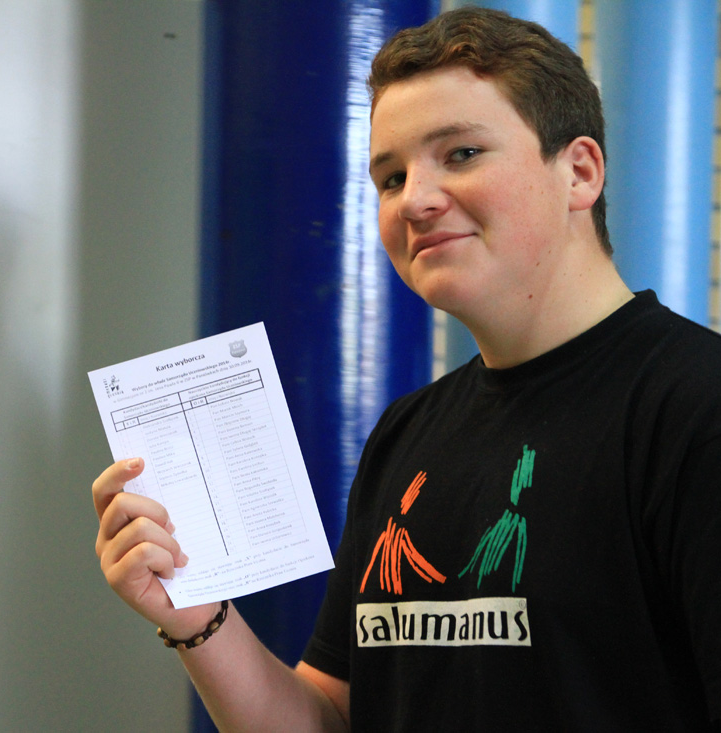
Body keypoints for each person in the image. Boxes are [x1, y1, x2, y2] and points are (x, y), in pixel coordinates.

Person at [92, 7, 721, 730]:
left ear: (578, 172)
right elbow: (328, 720)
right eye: (391, 177)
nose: (416, 200)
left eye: (461, 153)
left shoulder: (694, 409)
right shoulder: (408, 432)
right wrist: (197, 616)